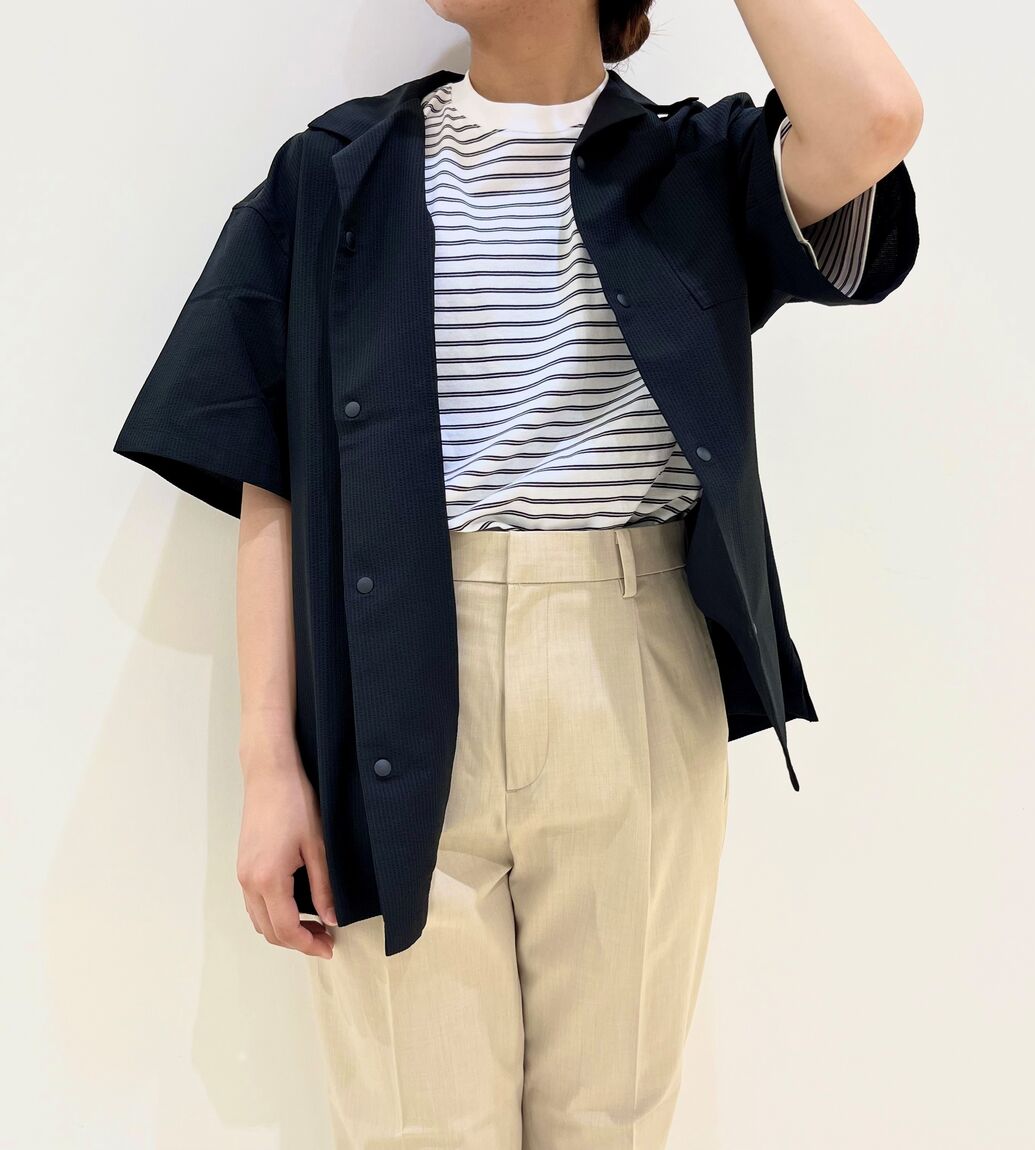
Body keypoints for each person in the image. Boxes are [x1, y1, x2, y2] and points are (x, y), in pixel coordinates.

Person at [111, 0, 922, 1144]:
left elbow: (874, 117)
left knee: (609, 1119)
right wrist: (267, 760)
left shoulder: (696, 166)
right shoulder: (337, 173)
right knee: (411, 1120)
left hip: (632, 670)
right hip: (392, 669)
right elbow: (272, 472)